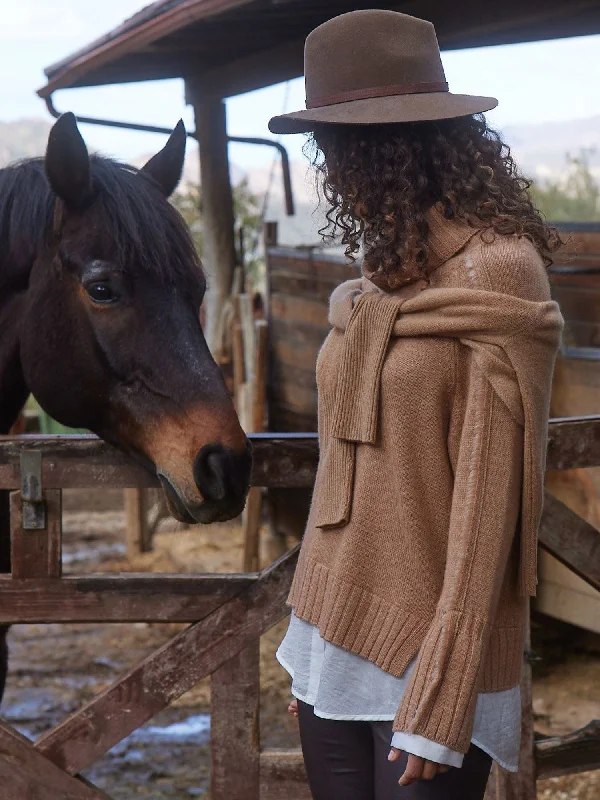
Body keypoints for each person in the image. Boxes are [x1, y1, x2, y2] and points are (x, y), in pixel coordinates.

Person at [267, 9, 565, 800]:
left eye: (334, 144)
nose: (329, 164)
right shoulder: (379, 277)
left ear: (382, 148)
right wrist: (307, 635)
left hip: (430, 659)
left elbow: (489, 504)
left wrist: (445, 690)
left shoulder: (498, 275)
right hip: (330, 628)